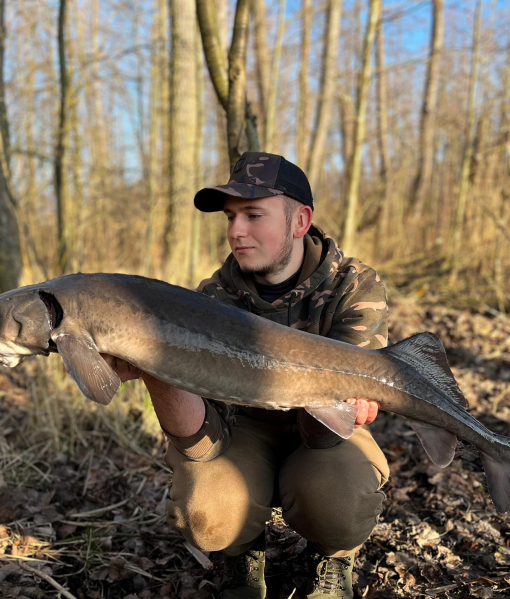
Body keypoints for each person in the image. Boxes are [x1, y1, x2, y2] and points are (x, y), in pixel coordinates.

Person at [104, 152, 389, 598]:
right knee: (205, 510)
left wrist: (347, 402)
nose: (236, 231)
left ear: (300, 221)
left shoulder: (353, 287)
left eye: (254, 215)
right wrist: (158, 371)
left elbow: (329, 429)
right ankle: (241, 555)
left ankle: (332, 556)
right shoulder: (209, 300)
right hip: (245, 430)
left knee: (341, 500)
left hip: (325, 434)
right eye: (231, 217)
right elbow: (203, 442)